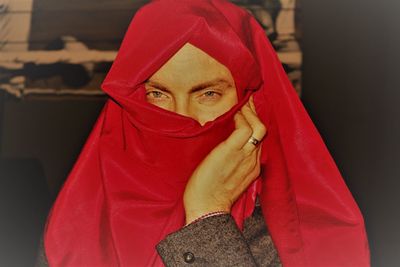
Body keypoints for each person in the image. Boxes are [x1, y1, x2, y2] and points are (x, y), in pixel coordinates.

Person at [38, 0, 370, 266]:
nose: (181, 118)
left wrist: (206, 215)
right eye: (158, 94)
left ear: (249, 103)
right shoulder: (81, 218)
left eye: (207, 94)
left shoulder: (300, 236)